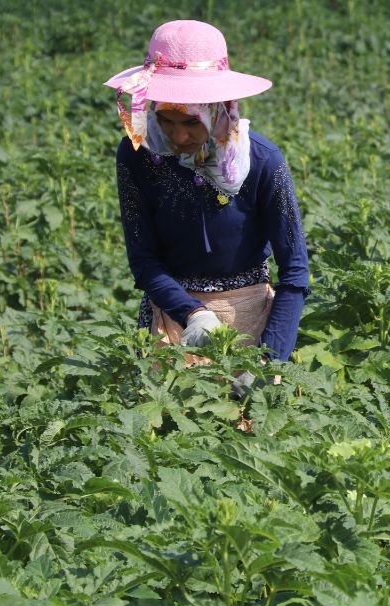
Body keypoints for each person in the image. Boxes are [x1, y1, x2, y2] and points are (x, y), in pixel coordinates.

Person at [105, 20, 309, 383]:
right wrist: (191, 312)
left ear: (219, 109)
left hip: (250, 319)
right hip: (171, 315)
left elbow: (294, 271)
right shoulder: (139, 155)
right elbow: (143, 258)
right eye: (165, 121)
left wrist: (270, 360)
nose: (178, 135)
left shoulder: (262, 161)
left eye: (190, 123)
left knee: (248, 431)